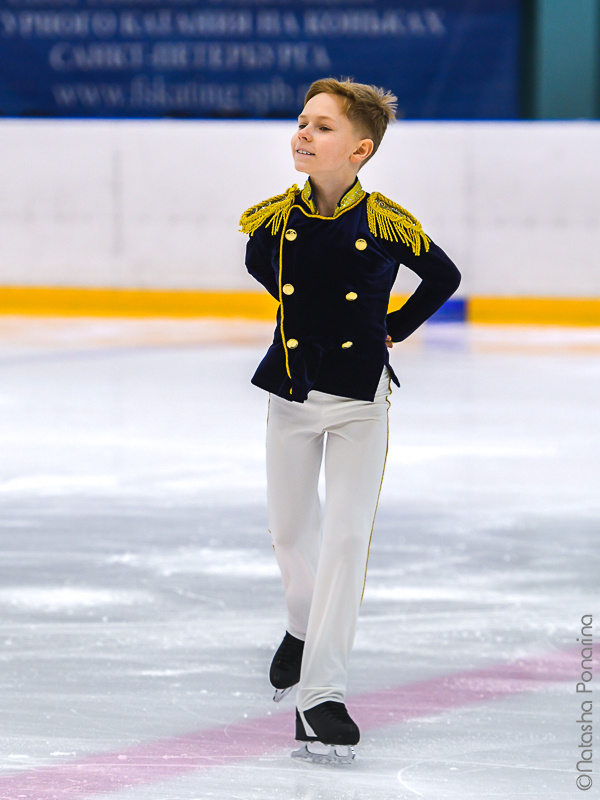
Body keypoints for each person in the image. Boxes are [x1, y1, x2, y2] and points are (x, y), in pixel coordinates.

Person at [239, 78, 461, 764]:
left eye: (323, 127)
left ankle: (321, 697)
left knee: (344, 544)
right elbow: (262, 269)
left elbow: (443, 277)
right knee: (288, 532)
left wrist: (389, 326)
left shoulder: (385, 222)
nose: (304, 133)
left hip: (359, 400)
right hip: (290, 393)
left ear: (359, 150)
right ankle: (301, 627)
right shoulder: (273, 223)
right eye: (303, 122)